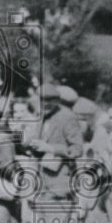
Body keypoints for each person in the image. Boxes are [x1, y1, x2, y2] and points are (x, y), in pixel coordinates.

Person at [24, 82, 84, 211]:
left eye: (50, 100)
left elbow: (77, 149)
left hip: (59, 185)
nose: (46, 104)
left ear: (58, 101)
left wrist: (50, 148)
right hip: (39, 185)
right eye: (43, 100)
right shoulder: (41, 116)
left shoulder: (67, 117)